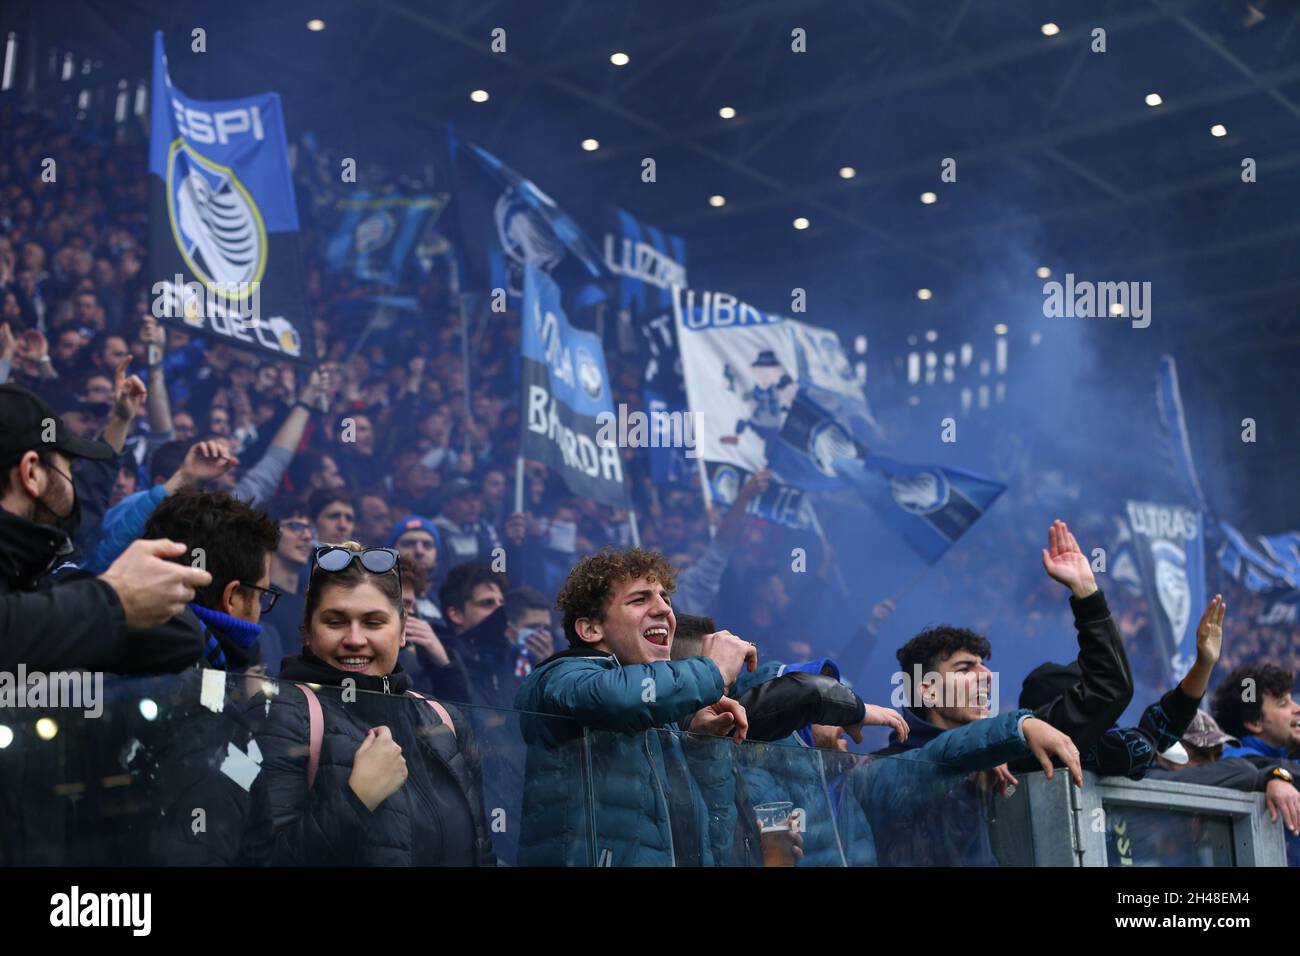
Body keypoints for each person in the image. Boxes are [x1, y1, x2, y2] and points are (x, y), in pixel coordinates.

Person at [251, 543, 496, 865]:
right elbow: (262, 859)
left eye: (374, 622)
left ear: (403, 630)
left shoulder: (444, 719)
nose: (355, 639)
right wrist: (356, 798)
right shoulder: (278, 714)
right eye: (335, 621)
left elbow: (482, 852)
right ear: (308, 632)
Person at [515, 547, 756, 866]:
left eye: (665, 598)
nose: (664, 610)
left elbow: (714, 841)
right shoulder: (559, 678)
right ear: (591, 629)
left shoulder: (662, 714)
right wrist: (711, 670)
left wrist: (702, 744)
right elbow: (615, 698)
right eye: (640, 599)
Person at [0, 383, 211, 673]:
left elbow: (180, 638)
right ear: (31, 474)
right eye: (70, 469)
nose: (75, 483)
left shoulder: (36, 565)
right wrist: (114, 599)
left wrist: (121, 421)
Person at [129, 489, 282, 864]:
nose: (262, 609)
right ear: (233, 599)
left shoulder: (116, 648)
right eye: (263, 593)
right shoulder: (205, 725)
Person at [1212, 660, 1300, 864]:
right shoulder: (1236, 761)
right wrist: (1278, 775)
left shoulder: (1288, 757)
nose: (1297, 708)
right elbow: (1265, 769)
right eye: (1283, 703)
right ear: (1254, 722)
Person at [259, 495, 315, 673]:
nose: (306, 536)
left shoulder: (311, 604)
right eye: (295, 526)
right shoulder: (258, 600)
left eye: (308, 528)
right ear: (270, 532)